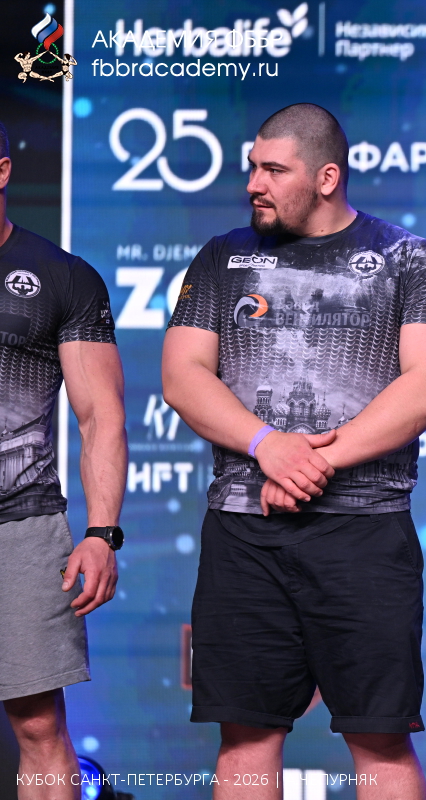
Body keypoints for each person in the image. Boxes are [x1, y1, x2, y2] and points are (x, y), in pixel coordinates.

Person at [162, 104, 426, 800]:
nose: (254, 184)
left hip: (365, 533)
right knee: (244, 738)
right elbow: (181, 376)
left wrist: (314, 462)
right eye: (252, 168)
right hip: (244, 531)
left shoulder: (409, 260)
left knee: (380, 738)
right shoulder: (222, 258)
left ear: (327, 177)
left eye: (274, 170)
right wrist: (267, 444)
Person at [0, 120, 127, 799]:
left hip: (20, 526)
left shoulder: (62, 277)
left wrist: (102, 532)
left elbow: (100, 415)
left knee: (38, 729)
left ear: (2, 172)